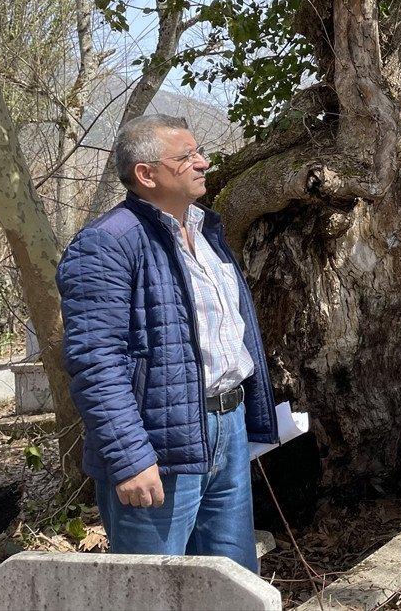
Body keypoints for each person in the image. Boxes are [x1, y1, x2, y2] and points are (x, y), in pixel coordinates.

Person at [58, 114, 278, 572]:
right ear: (146, 174)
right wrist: (129, 458)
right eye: (187, 157)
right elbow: (96, 361)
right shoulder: (107, 242)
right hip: (157, 448)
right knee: (152, 586)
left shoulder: (204, 231)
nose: (203, 163)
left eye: (199, 152)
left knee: (231, 585)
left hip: (226, 428)